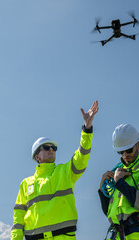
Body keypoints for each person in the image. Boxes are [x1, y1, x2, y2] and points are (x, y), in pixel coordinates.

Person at [11, 101, 99, 240]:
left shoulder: (65, 172)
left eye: (54, 148)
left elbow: (82, 156)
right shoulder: (25, 184)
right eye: (46, 147)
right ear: (37, 156)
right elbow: (18, 217)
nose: (51, 149)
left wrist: (87, 129)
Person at [98, 124, 139, 240]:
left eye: (129, 150)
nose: (125, 155)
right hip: (118, 235)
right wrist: (102, 189)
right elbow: (109, 213)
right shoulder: (119, 171)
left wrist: (120, 182)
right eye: (121, 152)